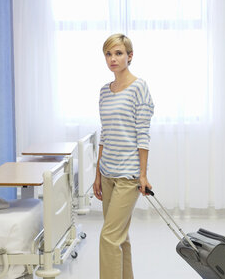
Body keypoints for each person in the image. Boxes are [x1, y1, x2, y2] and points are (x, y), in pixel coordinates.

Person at [93, 33, 154, 279]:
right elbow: (105, 136)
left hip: (128, 175)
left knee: (109, 237)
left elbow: (143, 135)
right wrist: (97, 175)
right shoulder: (104, 91)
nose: (113, 59)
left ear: (130, 56)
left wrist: (143, 174)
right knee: (119, 237)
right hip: (107, 173)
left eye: (118, 53)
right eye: (108, 54)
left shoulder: (139, 88)